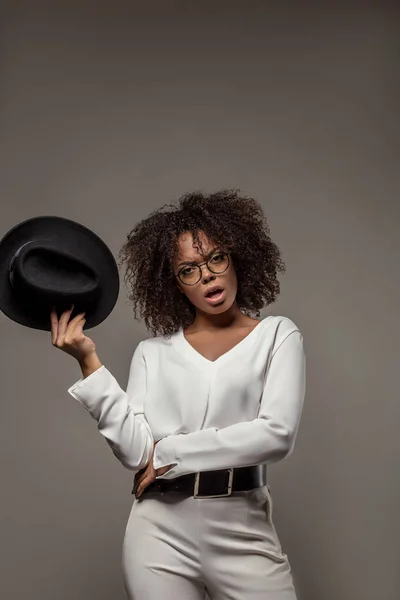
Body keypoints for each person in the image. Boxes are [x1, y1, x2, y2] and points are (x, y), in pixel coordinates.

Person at [50, 189, 306, 600]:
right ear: (175, 285)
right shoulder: (153, 353)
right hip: (158, 532)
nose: (206, 275)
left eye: (216, 258)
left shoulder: (277, 335)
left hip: (244, 527)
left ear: (237, 257)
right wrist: (88, 360)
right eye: (189, 269)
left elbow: (277, 435)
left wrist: (170, 453)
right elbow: (135, 454)